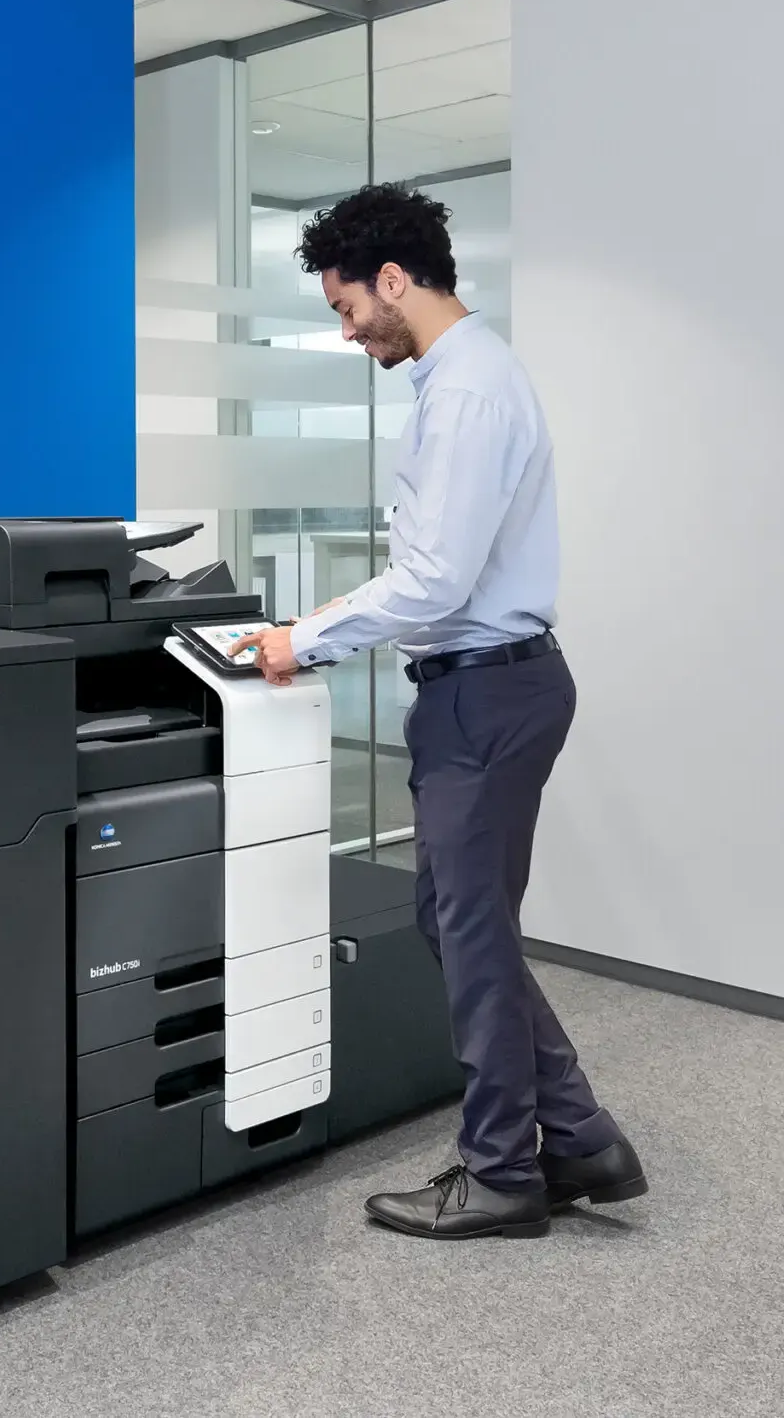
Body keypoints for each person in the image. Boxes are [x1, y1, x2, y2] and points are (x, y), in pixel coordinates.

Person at [230, 184, 647, 1241]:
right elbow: (431, 572)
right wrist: (315, 621)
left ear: (394, 279)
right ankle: (582, 1135)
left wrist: (302, 638)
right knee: (460, 923)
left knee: (464, 929)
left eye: (347, 305)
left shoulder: (464, 392)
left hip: (485, 690)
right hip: (487, 686)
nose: (347, 328)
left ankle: (504, 1169)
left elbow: (433, 582)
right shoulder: (469, 377)